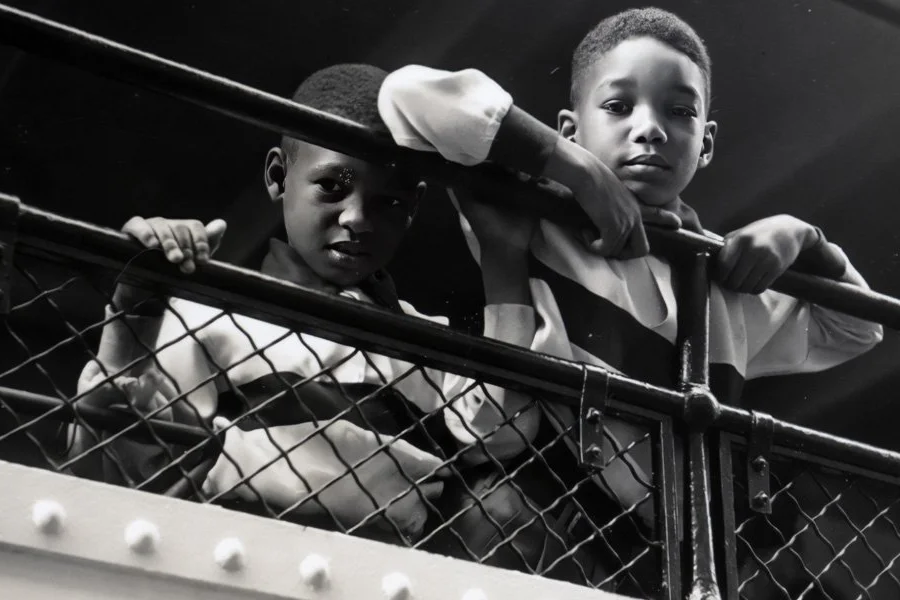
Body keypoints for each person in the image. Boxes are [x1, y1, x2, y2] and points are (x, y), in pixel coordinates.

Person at [67, 62, 653, 571]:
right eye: (331, 186)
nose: (357, 218)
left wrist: (502, 256)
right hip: (241, 558)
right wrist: (137, 308)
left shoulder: (426, 337)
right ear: (278, 177)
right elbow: (126, 467)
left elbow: (498, 438)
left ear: (414, 207)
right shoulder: (211, 312)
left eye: (389, 202)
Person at [376, 6, 884, 586]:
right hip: (549, 534)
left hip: (668, 568)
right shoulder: (540, 217)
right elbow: (406, 95)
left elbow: (857, 329)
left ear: (706, 143)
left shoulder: (723, 280)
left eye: (680, 111)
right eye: (618, 106)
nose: (650, 129)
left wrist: (804, 238)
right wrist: (576, 171)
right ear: (571, 129)